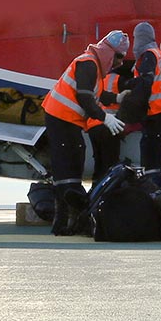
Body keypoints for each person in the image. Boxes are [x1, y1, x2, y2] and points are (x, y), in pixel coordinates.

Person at [41, 30, 128, 235]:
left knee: (72, 162)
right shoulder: (88, 64)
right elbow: (85, 98)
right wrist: (105, 117)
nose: (120, 64)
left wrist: (116, 99)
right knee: (68, 166)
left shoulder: (93, 66)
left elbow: (96, 95)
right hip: (61, 118)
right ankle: (66, 223)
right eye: (119, 57)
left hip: (66, 119)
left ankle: (65, 223)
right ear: (110, 53)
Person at [131, 22, 161, 175]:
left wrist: (132, 104)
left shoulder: (149, 55)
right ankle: (157, 189)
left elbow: (145, 82)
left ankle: (153, 191)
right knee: (155, 160)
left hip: (155, 115)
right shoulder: (158, 54)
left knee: (150, 161)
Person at [87, 61, 133, 185]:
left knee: (99, 162)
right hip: (109, 126)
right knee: (110, 164)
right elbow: (130, 99)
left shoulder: (98, 80)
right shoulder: (120, 80)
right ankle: (108, 194)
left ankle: (95, 191)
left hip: (92, 126)